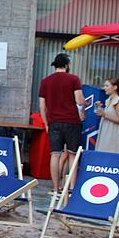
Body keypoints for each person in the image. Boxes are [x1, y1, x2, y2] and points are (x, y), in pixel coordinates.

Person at [39, 53, 85, 195]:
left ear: (55, 65)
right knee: (72, 155)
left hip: (54, 122)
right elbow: (79, 101)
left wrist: (46, 123)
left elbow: (42, 106)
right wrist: (83, 106)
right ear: (66, 65)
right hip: (72, 121)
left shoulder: (46, 81)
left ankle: (55, 187)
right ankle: (71, 187)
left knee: (55, 155)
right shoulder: (74, 79)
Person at [95, 78, 119, 154]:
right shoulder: (109, 100)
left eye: (107, 86)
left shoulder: (118, 101)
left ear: (115, 87)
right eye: (104, 86)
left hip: (113, 134)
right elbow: (109, 114)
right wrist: (99, 108)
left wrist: (104, 114)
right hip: (106, 132)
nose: (104, 88)